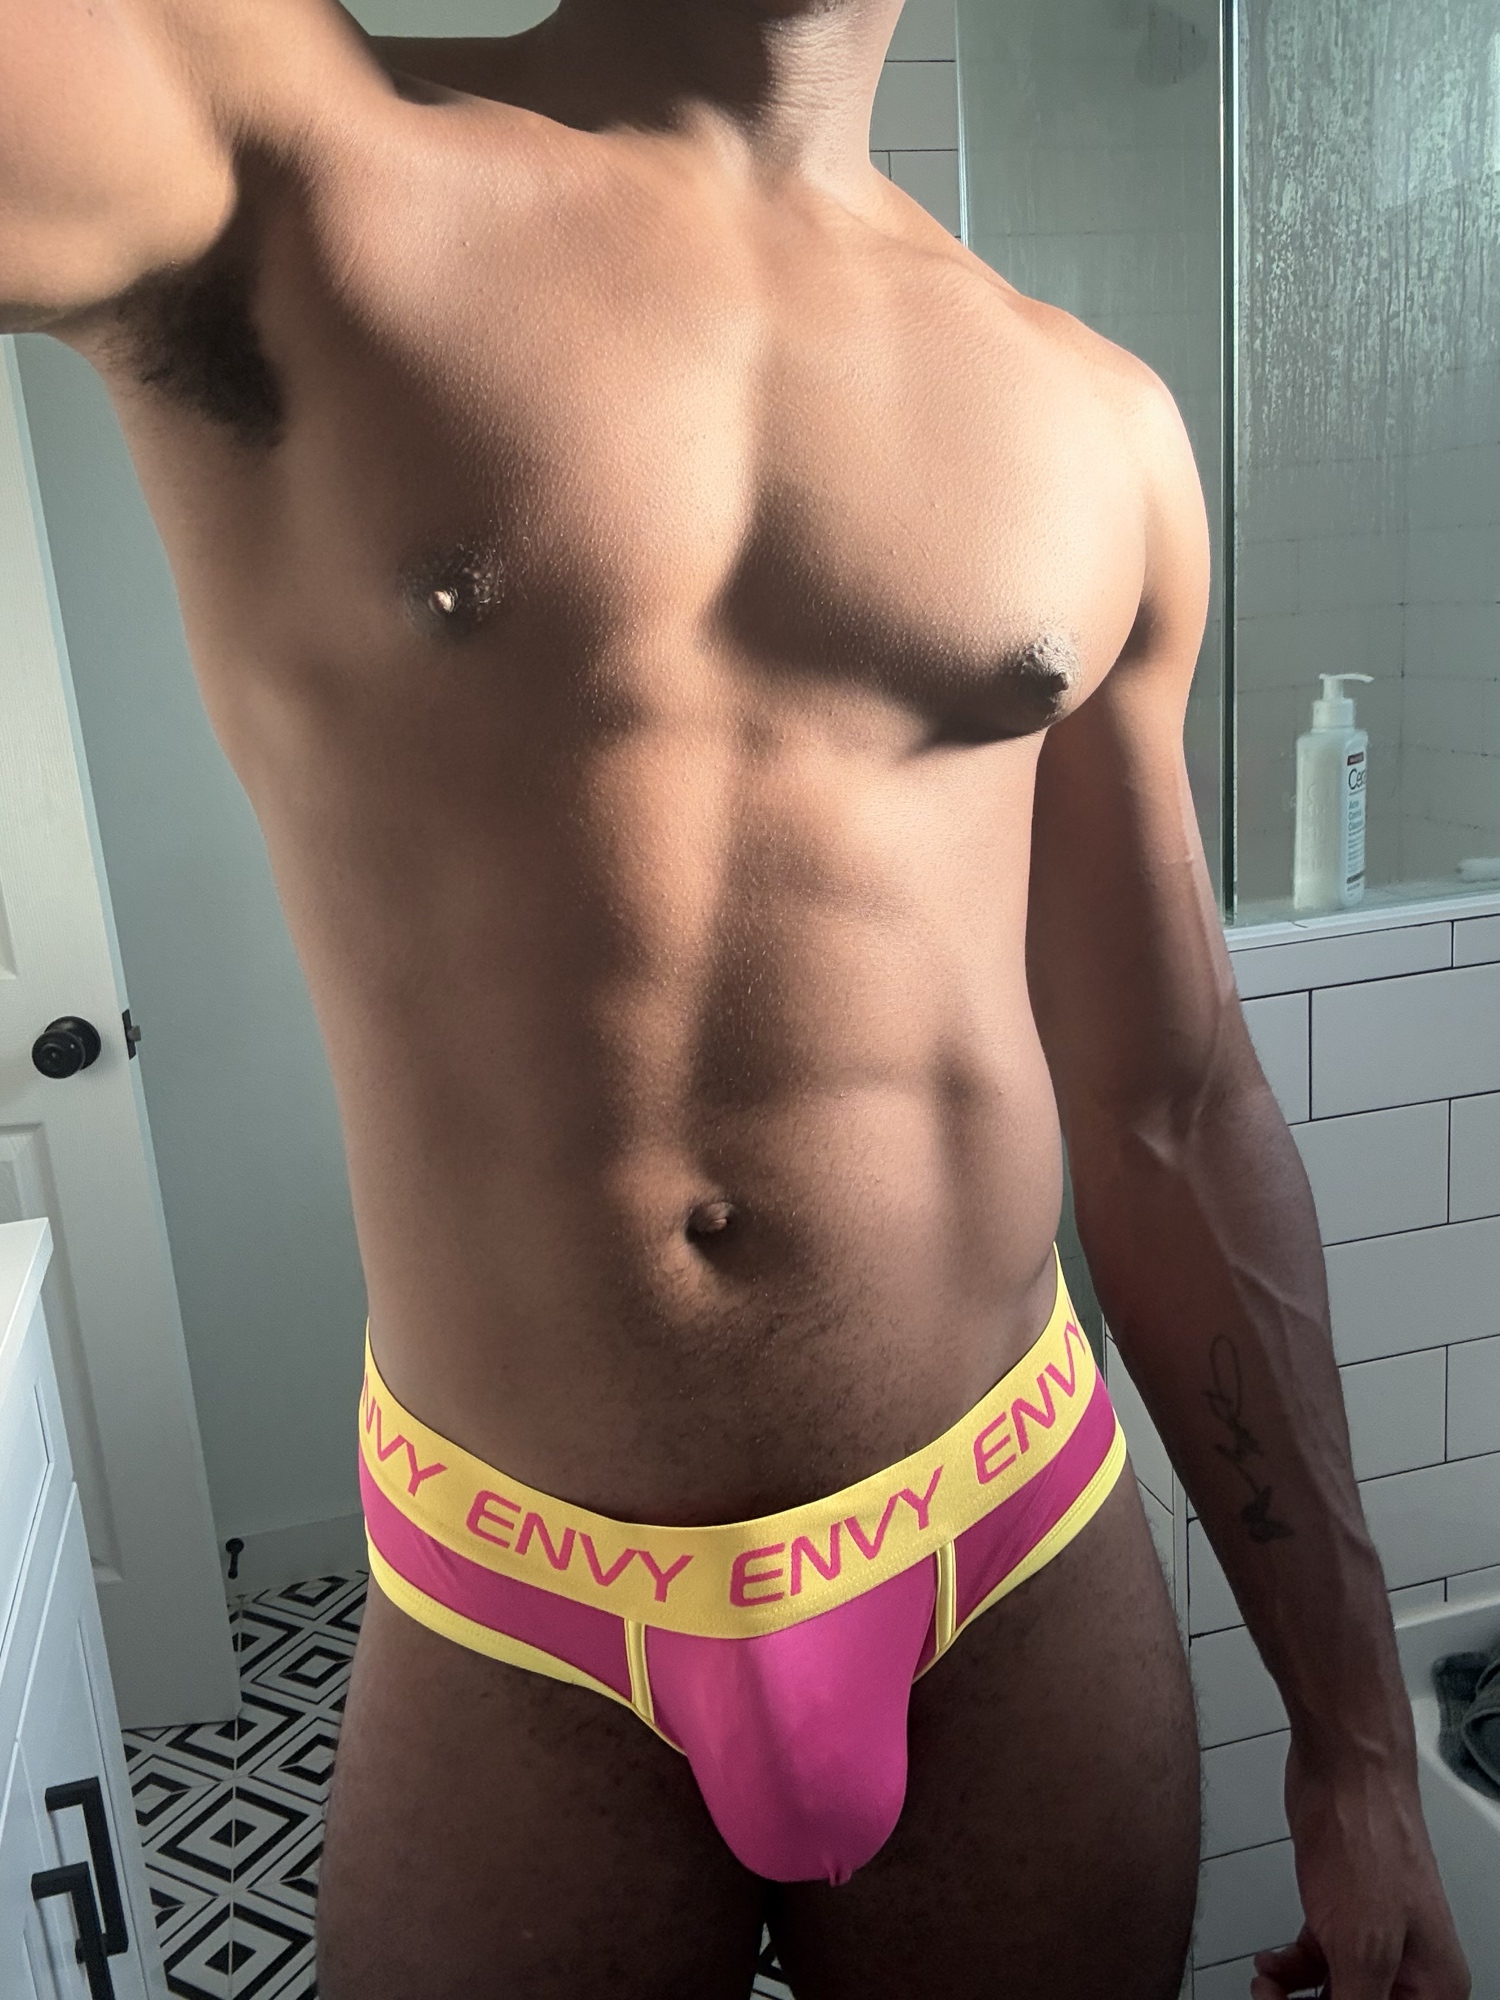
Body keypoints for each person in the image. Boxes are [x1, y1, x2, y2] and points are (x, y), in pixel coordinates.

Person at [1, 3, 1471, 1995]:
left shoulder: (1093, 421)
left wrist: (1362, 1742)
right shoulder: (276, 147)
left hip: (1005, 1544)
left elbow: (1176, 1107)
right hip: (520, 1588)